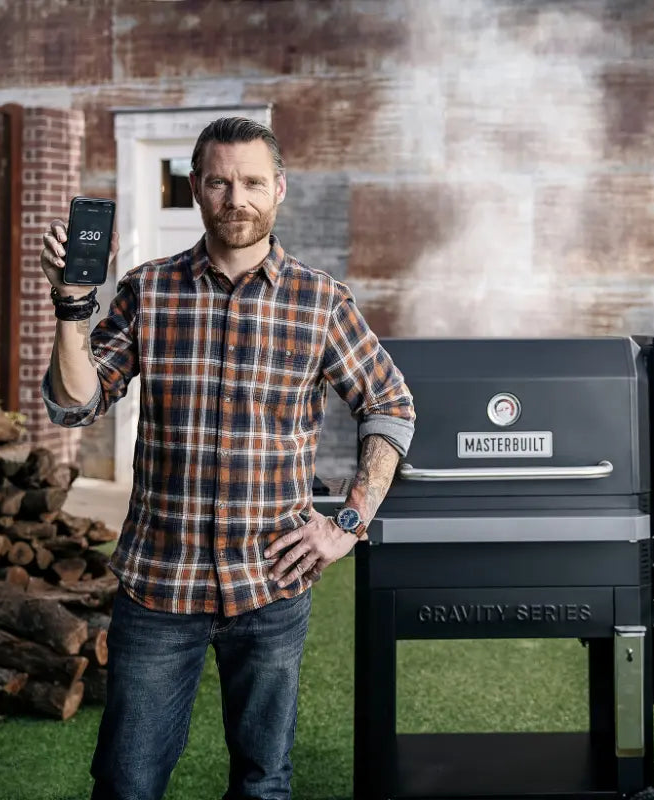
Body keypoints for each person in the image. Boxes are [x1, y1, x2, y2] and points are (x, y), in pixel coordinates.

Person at [39, 116, 415, 800]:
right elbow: (77, 402)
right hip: (159, 583)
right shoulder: (148, 290)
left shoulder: (320, 300)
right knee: (126, 783)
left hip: (271, 585)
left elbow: (390, 404)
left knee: (262, 782)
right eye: (218, 181)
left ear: (278, 189)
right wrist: (71, 306)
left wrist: (349, 524)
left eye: (250, 182)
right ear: (195, 189)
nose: (234, 197)